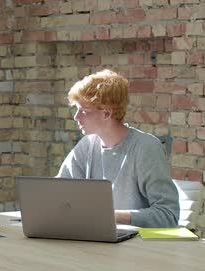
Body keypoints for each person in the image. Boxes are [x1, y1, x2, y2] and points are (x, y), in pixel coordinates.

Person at [57, 69, 179, 227]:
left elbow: (168, 215)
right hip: (93, 240)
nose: (76, 117)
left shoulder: (145, 148)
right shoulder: (86, 145)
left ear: (106, 114)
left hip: (137, 247)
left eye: (83, 111)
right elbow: (58, 194)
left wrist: (110, 216)